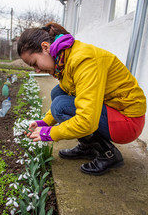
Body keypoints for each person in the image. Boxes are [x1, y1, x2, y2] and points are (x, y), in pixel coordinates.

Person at [17, 22, 146, 176]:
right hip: (113, 111)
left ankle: (109, 155)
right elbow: (68, 94)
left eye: (34, 64)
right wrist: (45, 122)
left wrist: (50, 133)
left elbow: (86, 121)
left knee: (60, 105)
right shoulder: (64, 60)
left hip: (128, 122)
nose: (37, 70)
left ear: (45, 47)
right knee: (58, 93)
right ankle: (88, 146)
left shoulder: (84, 60)